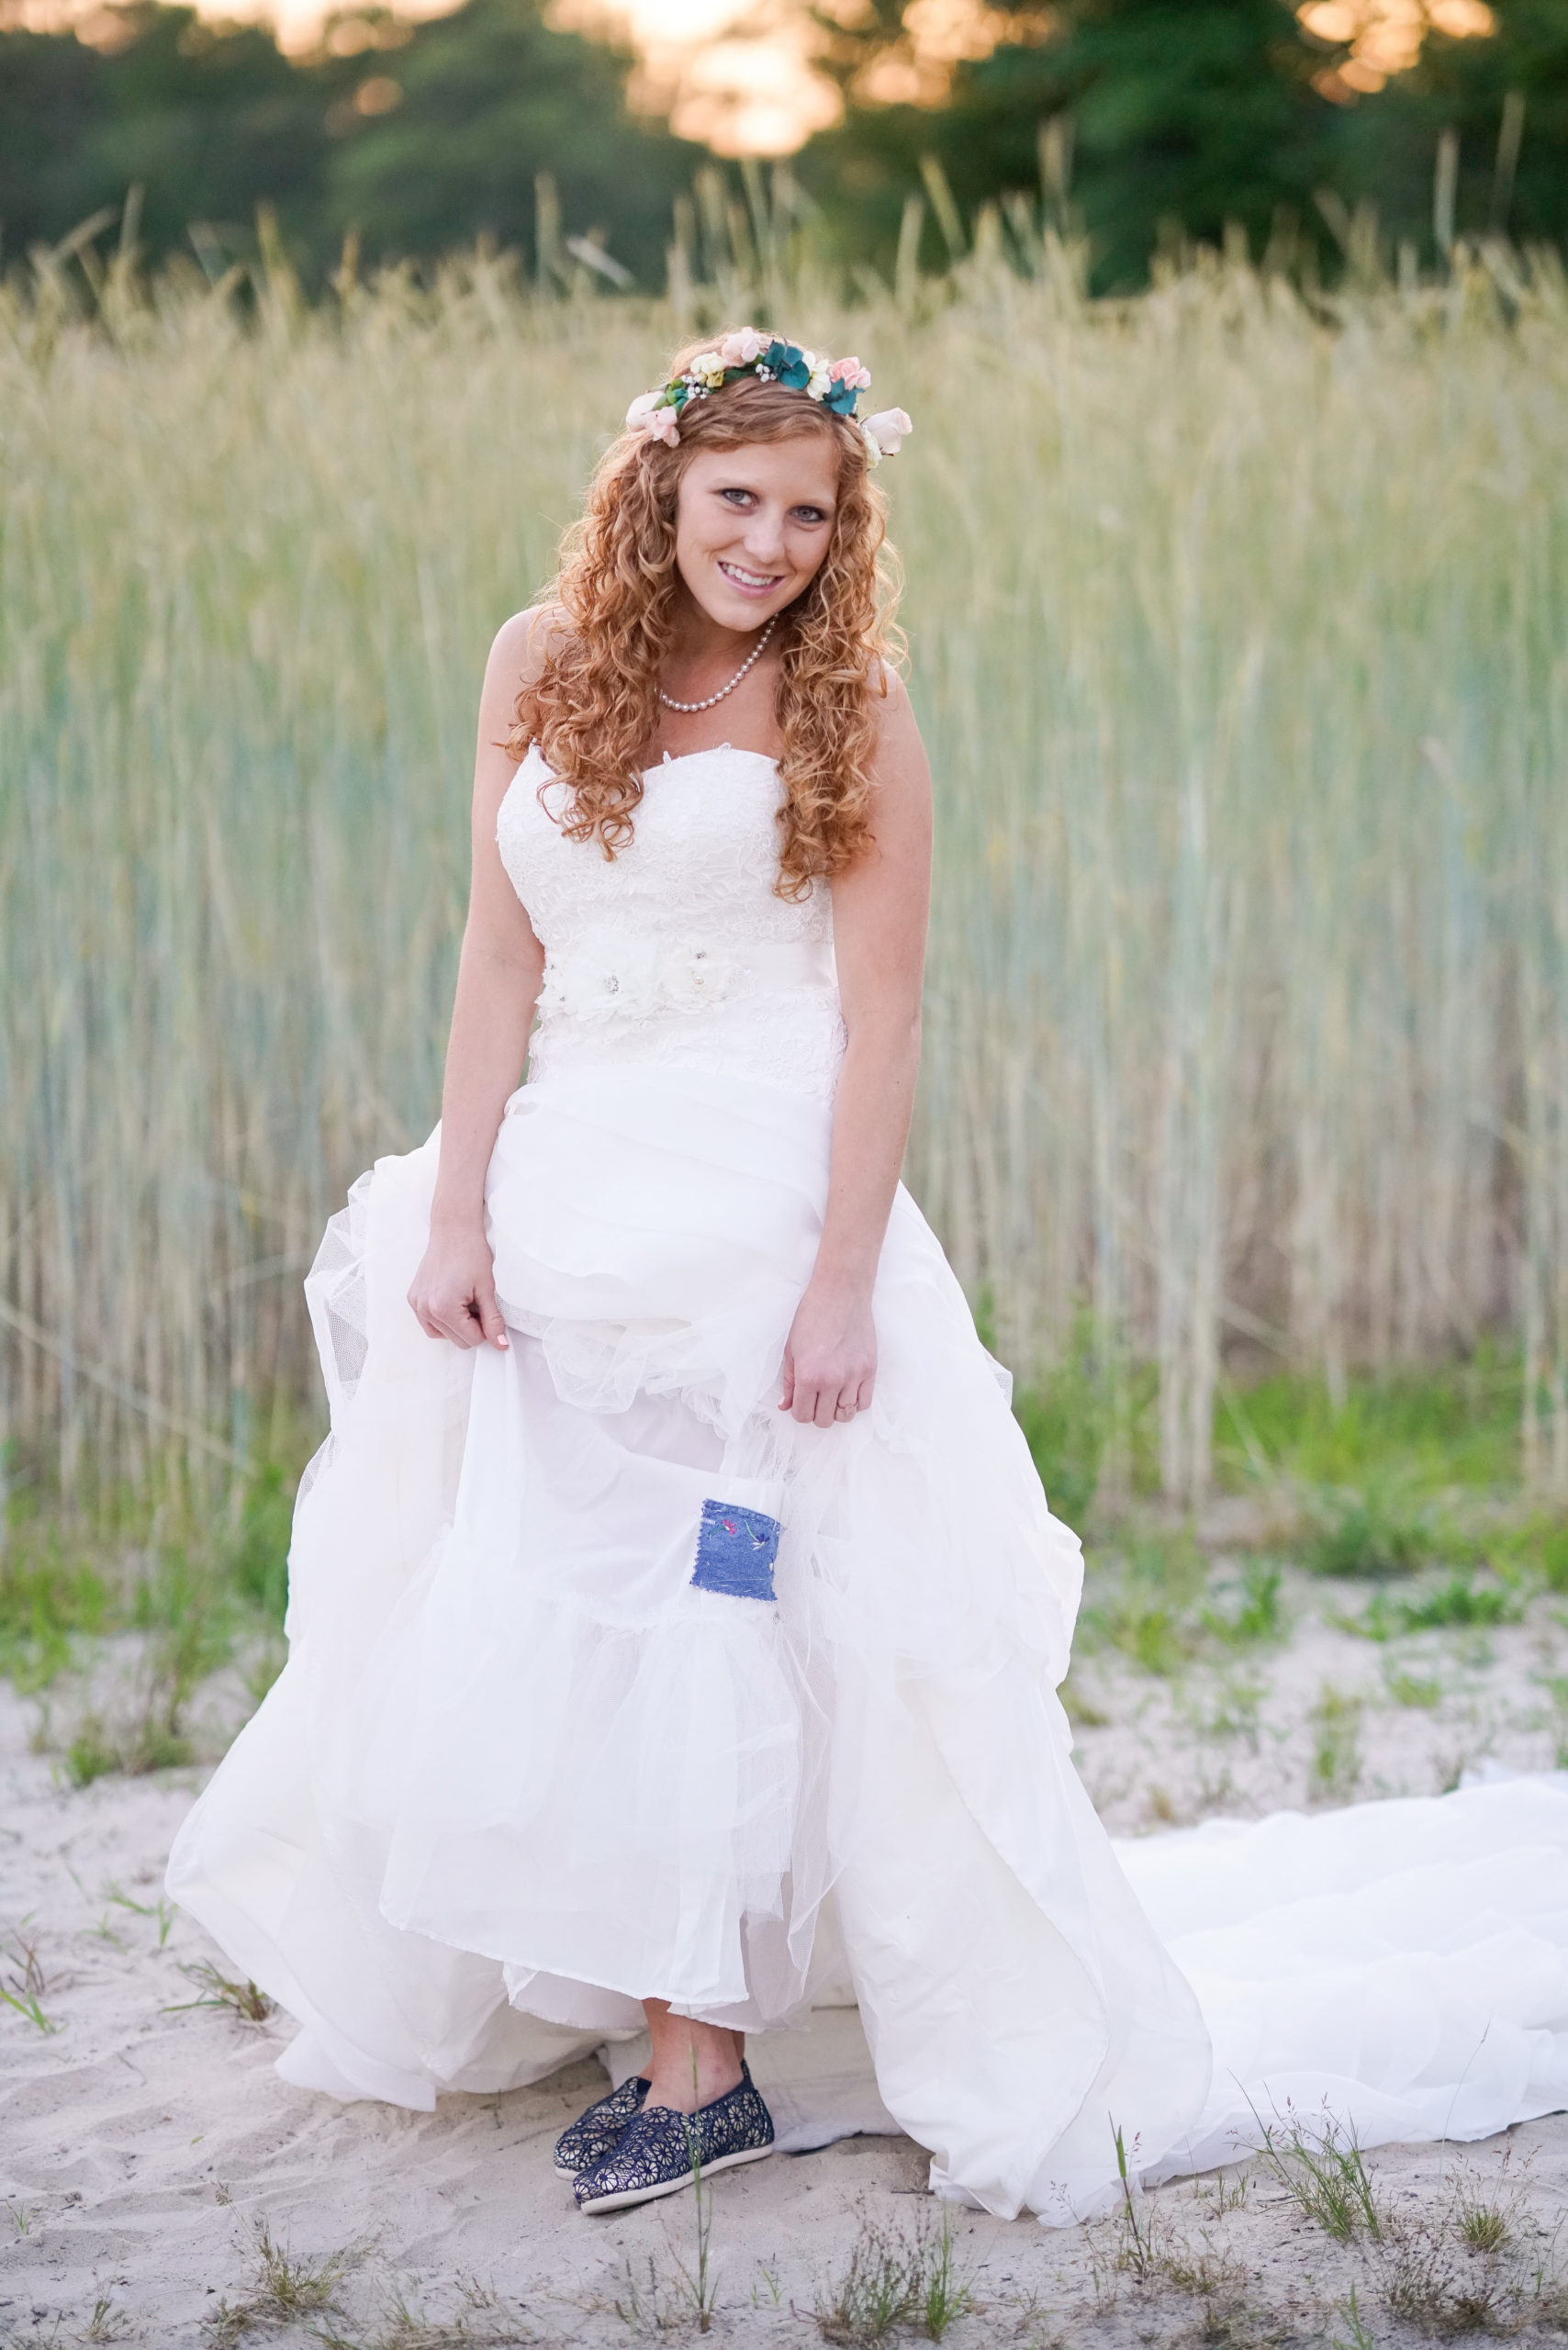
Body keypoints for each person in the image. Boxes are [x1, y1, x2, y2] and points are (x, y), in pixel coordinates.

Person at [168, 331, 1568, 2227]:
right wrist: (458, 1209)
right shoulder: (533, 660)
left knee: (714, 1611)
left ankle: (703, 2067)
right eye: (737, 498)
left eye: (810, 514)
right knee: (570, 1602)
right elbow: (499, 954)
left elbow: (883, 1018)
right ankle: (648, 2001)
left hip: (754, 1219)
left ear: (848, 528)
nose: (769, 542)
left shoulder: (853, 704)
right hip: (566, 1205)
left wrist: (840, 1285)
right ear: (658, 488)